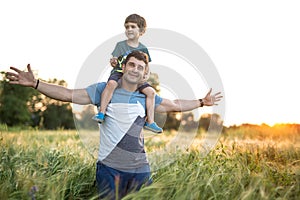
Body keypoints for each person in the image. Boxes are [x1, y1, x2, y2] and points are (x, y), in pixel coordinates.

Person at [6, 51, 223, 199]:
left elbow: (175, 104)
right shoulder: (103, 91)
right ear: (124, 67)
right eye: (132, 65)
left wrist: (202, 102)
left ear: (144, 73)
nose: (135, 70)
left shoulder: (145, 97)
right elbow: (67, 94)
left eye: (140, 67)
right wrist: (35, 83)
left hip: (140, 171)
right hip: (109, 170)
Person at [92, 14, 163, 133]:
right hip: (119, 73)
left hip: (136, 78)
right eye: (127, 27)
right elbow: (114, 60)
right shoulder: (120, 45)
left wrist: (145, 76)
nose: (129, 29)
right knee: (111, 85)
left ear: (141, 30)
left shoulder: (143, 49)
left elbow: (147, 66)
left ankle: (150, 121)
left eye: (132, 27)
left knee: (151, 92)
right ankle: (102, 113)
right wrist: (113, 61)